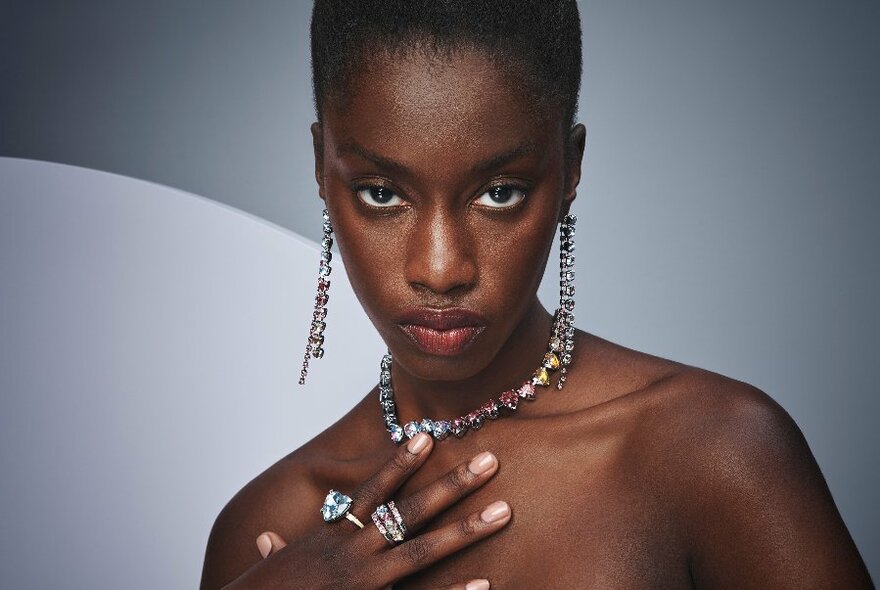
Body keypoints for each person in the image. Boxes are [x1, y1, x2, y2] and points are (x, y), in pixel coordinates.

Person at [199, 1, 872, 588]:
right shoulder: (269, 530)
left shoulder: (710, 451)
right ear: (322, 168)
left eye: (499, 193)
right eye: (382, 194)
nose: (441, 268)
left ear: (569, 169)